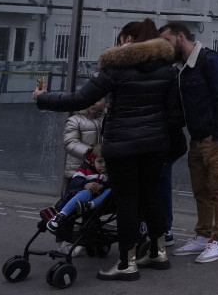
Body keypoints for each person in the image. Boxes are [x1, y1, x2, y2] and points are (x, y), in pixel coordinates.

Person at [33, 31, 183, 280]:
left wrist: (42, 98)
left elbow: (79, 99)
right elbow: (175, 116)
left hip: (122, 148)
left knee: (127, 202)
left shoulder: (115, 70)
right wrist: (172, 146)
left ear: (126, 48)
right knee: (152, 197)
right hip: (156, 146)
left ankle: (127, 263)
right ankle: (158, 253)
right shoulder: (167, 71)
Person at [160, 21, 218, 264]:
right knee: (201, 190)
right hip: (197, 138)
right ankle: (203, 236)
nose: (164, 47)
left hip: (215, 138)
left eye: (166, 41)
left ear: (180, 37)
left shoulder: (208, 61)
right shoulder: (182, 68)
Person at [117, 19, 176, 248]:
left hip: (137, 137)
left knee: (140, 188)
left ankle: (135, 243)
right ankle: (161, 235)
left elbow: (97, 90)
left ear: (129, 39)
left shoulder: (126, 67)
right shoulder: (166, 67)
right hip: (161, 137)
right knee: (158, 185)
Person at [42, 149, 112, 253]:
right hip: (80, 197)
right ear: (93, 161)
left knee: (111, 190)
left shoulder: (109, 172)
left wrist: (102, 185)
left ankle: (90, 205)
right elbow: (74, 182)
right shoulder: (85, 169)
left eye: (106, 161)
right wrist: (85, 184)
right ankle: (60, 216)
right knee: (86, 193)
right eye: (100, 162)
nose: (104, 165)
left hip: (96, 202)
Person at [62, 98, 106, 193]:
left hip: (102, 171)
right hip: (78, 171)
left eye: (98, 100)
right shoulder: (75, 120)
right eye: (88, 98)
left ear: (106, 102)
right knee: (74, 201)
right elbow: (70, 142)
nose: (92, 103)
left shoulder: (107, 119)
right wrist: (91, 152)